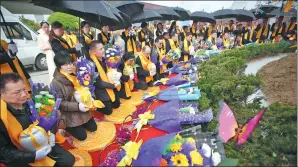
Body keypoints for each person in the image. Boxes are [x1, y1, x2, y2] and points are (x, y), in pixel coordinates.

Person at [0, 73, 75, 167]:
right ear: (2, 94)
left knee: (68, 161)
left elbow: (48, 120)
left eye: (24, 89)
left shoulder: (32, 103)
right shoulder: (2, 117)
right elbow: (3, 152)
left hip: (43, 143)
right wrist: (33, 156)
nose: (24, 94)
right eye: (17, 92)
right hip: (20, 153)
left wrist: (51, 133)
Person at [51, 51, 97, 141]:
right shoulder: (55, 83)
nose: (69, 67)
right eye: (65, 65)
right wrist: (78, 106)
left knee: (93, 128)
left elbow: (89, 86)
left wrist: (92, 97)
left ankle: (83, 123)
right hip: (70, 113)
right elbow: (60, 104)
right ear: (58, 66)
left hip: (84, 109)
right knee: (82, 137)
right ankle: (66, 127)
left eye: (70, 63)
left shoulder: (78, 73)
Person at [89, 41, 121, 115]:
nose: (103, 50)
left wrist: (118, 74)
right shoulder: (91, 64)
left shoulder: (105, 58)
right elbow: (98, 83)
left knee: (117, 105)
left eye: (103, 48)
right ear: (93, 52)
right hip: (101, 90)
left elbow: (115, 67)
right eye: (100, 49)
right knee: (108, 111)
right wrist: (113, 85)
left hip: (110, 84)